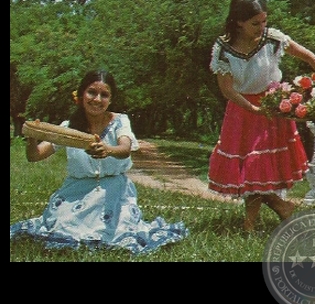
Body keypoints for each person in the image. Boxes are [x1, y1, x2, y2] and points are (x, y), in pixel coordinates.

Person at [10, 69, 189, 253]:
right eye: (92, 92)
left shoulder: (120, 122)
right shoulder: (68, 127)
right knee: (63, 227)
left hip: (113, 191)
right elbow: (35, 156)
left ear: (110, 99)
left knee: (116, 233)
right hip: (76, 192)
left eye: (104, 95)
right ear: (81, 95)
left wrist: (108, 150)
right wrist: (33, 135)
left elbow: (125, 149)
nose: (97, 99)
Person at [208, 0, 315, 232]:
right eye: (255, 23)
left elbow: (307, 55)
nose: (262, 27)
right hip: (241, 109)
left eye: (264, 21)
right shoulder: (224, 48)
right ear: (238, 22)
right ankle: (275, 209)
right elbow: (227, 89)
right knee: (250, 169)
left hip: (272, 106)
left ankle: (251, 224)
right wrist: (251, 108)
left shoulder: (272, 39)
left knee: (259, 168)